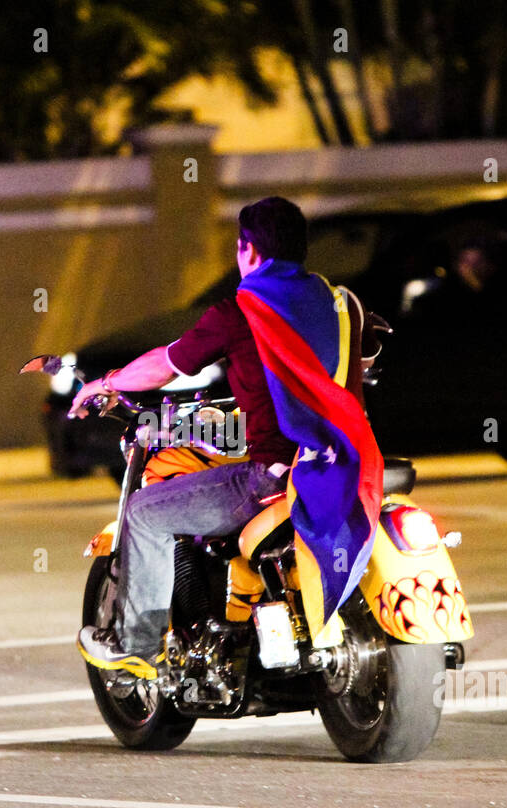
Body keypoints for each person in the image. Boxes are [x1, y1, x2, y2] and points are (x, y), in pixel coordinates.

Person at [71, 196, 380, 676]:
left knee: (144, 513)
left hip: (276, 476)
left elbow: (165, 365)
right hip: (346, 463)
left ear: (249, 251)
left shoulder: (243, 311)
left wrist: (106, 383)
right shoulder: (338, 302)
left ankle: (137, 644)